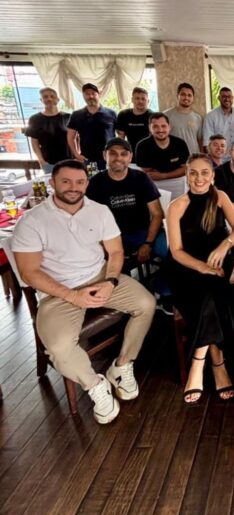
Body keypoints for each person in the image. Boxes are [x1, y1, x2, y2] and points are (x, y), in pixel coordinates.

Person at [11, 160, 156, 425]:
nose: (73, 187)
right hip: (57, 291)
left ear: (86, 184)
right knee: (58, 347)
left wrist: (110, 281)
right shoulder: (32, 221)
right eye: (65, 181)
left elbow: (115, 252)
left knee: (146, 303)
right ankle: (95, 385)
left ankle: (122, 365)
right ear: (52, 183)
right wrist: (73, 296)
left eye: (79, 182)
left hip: (99, 277)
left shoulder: (99, 211)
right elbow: (29, 273)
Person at [167, 154, 234, 404]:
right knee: (209, 296)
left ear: (212, 176)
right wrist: (202, 267)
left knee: (215, 293)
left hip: (219, 263)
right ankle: (215, 363)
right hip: (187, 267)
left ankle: (197, 364)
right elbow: (176, 251)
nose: (199, 178)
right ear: (186, 175)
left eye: (204, 173)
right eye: (193, 173)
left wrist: (224, 246)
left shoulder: (220, 197)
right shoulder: (177, 206)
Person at [86, 137, 172, 312]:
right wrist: (106, 248)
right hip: (111, 238)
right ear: (104, 155)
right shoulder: (95, 183)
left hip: (143, 233)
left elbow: (157, 214)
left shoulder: (141, 178)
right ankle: (119, 304)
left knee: (172, 251)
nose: (118, 158)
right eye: (113, 153)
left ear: (130, 157)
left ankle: (163, 292)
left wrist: (148, 244)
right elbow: (90, 222)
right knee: (101, 264)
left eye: (123, 154)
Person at [67, 83, 117, 170]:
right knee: (92, 178)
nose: (90, 96)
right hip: (88, 160)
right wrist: (76, 154)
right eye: (87, 94)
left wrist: (117, 153)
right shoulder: (76, 115)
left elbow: (120, 134)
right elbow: (71, 137)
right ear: (83, 96)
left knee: (110, 179)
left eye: (93, 93)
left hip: (109, 158)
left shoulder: (111, 113)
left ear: (99, 95)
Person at [25, 87, 71, 174]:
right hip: (49, 163)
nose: (49, 99)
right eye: (45, 97)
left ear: (58, 99)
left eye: (52, 96)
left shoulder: (68, 117)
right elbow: (34, 143)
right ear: (41, 100)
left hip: (69, 161)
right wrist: (41, 161)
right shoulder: (35, 119)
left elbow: (75, 138)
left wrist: (77, 155)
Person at [134, 112, 190, 182]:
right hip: (153, 182)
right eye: (155, 126)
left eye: (163, 126)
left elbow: (186, 168)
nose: (160, 130)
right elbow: (147, 172)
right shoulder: (142, 146)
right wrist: (175, 170)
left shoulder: (180, 143)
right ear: (149, 128)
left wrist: (164, 175)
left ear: (169, 127)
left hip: (178, 182)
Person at [202, 86, 234, 151]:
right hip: (220, 156)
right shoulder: (210, 117)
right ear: (219, 98)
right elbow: (206, 143)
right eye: (224, 97)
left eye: (229, 97)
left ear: (232, 98)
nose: (227, 99)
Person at [164, 82, 203, 154]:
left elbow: (200, 140)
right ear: (177, 96)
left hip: (193, 157)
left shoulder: (198, 117)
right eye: (183, 94)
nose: (186, 98)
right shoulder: (166, 115)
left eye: (189, 95)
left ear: (193, 98)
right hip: (174, 156)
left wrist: (201, 156)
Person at [116, 87, 153, 152]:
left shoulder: (152, 116)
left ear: (148, 101)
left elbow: (154, 137)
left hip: (149, 152)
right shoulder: (123, 115)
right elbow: (121, 138)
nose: (140, 101)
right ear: (132, 100)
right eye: (137, 98)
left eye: (143, 99)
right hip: (130, 152)